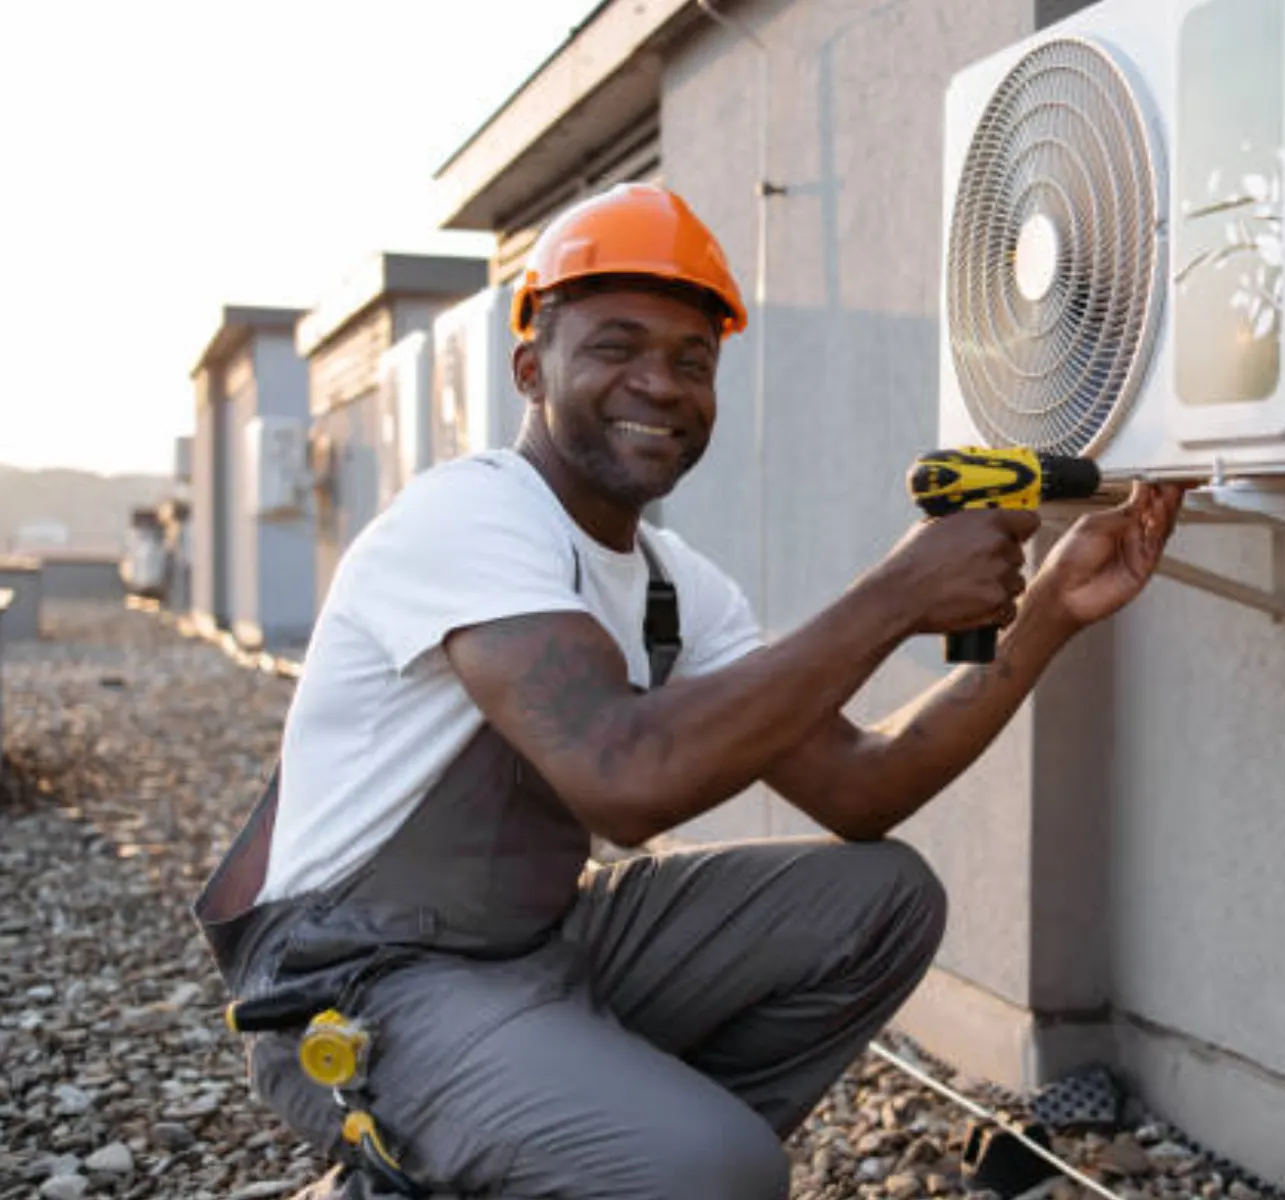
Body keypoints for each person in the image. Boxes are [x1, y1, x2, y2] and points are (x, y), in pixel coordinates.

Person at [193, 182, 1185, 1199]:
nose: (660, 385)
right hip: (368, 986)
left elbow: (862, 788)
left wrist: (1052, 608)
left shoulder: (673, 587)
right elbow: (623, 780)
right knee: (715, 1170)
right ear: (531, 366)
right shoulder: (469, 520)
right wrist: (895, 596)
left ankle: (597, 1159)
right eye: (616, 347)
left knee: (880, 901)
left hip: (538, 948)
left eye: (691, 361)